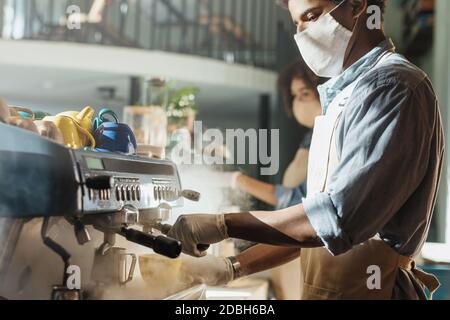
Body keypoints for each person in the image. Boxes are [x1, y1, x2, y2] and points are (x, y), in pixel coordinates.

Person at [167, 0, 444, 300]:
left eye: (312, 16)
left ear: (356, 5)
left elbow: (336, 219)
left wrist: (224, 225)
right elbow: (316, 228)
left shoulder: (392, 87)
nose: (302, 35)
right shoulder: (345, 96)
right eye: (297, 23)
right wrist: (232, 267)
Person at [223, 59, 323, 209]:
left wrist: (238, 180)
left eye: (305, 94)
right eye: (294, 95)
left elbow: (298, 200)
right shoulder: (312, 136)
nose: (297, 102)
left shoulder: (329, 138)